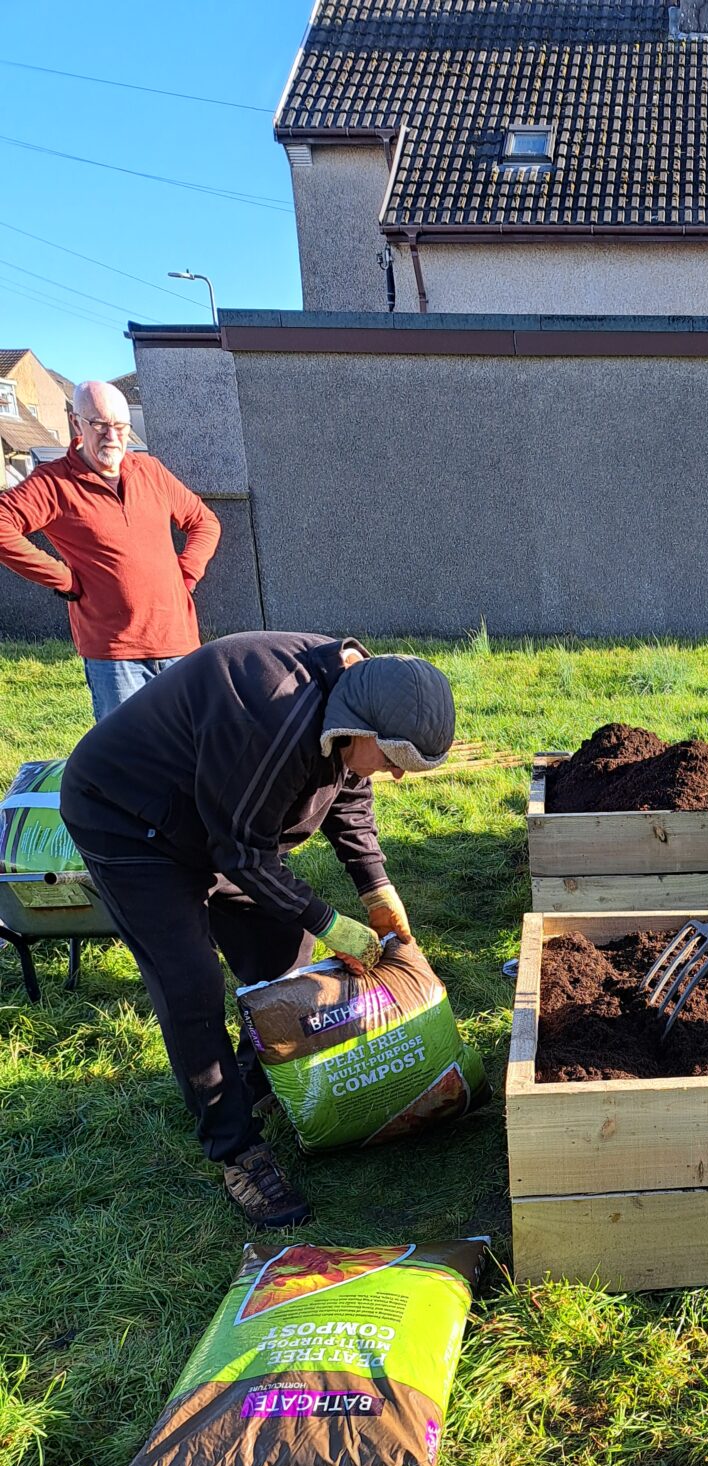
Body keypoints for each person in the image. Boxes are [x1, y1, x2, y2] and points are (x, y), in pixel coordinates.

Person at [60, 633, 456, 1229]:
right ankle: (236, 1148)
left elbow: (348, 794)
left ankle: (254, 1075)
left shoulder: (351, 703)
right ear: (361, 730)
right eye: (396, 762)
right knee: (190, 982)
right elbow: (244, 857)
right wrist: (330, 924)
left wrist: (377, 888)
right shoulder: (271, 717)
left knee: (284, 951)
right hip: (127, 817)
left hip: (216, 816)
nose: (397, 778)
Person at [0, 379, 219, 723]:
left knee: (192, 747)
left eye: (120, 426)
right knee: (128, 759)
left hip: (179, 642)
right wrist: (63, 578)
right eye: (100, 425)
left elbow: (204, 521)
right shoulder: (53, 483)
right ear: (77, 422)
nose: (112, 436)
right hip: (115, 656)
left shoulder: (150, 472)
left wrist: (187, 573)